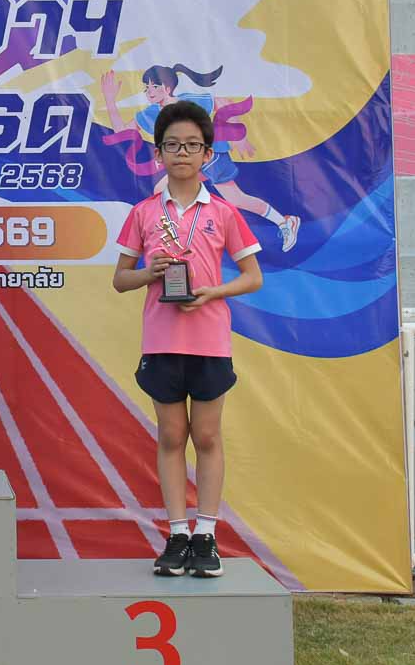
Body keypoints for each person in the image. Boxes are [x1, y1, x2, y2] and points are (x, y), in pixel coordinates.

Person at [112, 101, 263, 579]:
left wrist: (213, 292)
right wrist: (148, 272)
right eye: (173, 145)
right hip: (161, 340)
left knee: (208, 436)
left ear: (207, 154)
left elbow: (253, 276)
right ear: (158, 153)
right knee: (172, 436)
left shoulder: (223, 213)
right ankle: (177, 534)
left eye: (192, 145)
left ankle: (206, 534)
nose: (182, 153)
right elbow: (120, 279)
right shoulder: (142, 213)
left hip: (210, 340)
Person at [108, 64, 301, 252]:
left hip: (211, 156)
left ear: (167, 88)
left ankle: (285, 222)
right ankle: (183, 238)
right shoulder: (150, 113)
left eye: (155, 86)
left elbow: (222, 102)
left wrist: (239, 136)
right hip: (190, 161)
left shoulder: (186, 101)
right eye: (146, 87)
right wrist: (110, 101)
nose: (150, 91)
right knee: (161, 191)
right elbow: (121, 131)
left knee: (236, 199)